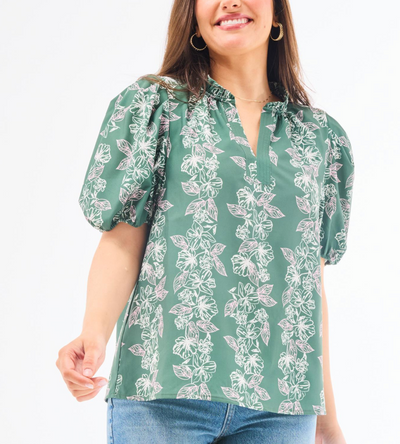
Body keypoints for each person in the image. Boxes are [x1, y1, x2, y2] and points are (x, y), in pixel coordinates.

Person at [56, 0, 355, 443]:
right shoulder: (155, 106)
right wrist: (94, 333)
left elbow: (307, 289)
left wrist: (326, 421)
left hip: (283, 408)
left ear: (277, 13)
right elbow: (122, 240)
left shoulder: (321, 138)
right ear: (193, 15)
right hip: (164, 391)